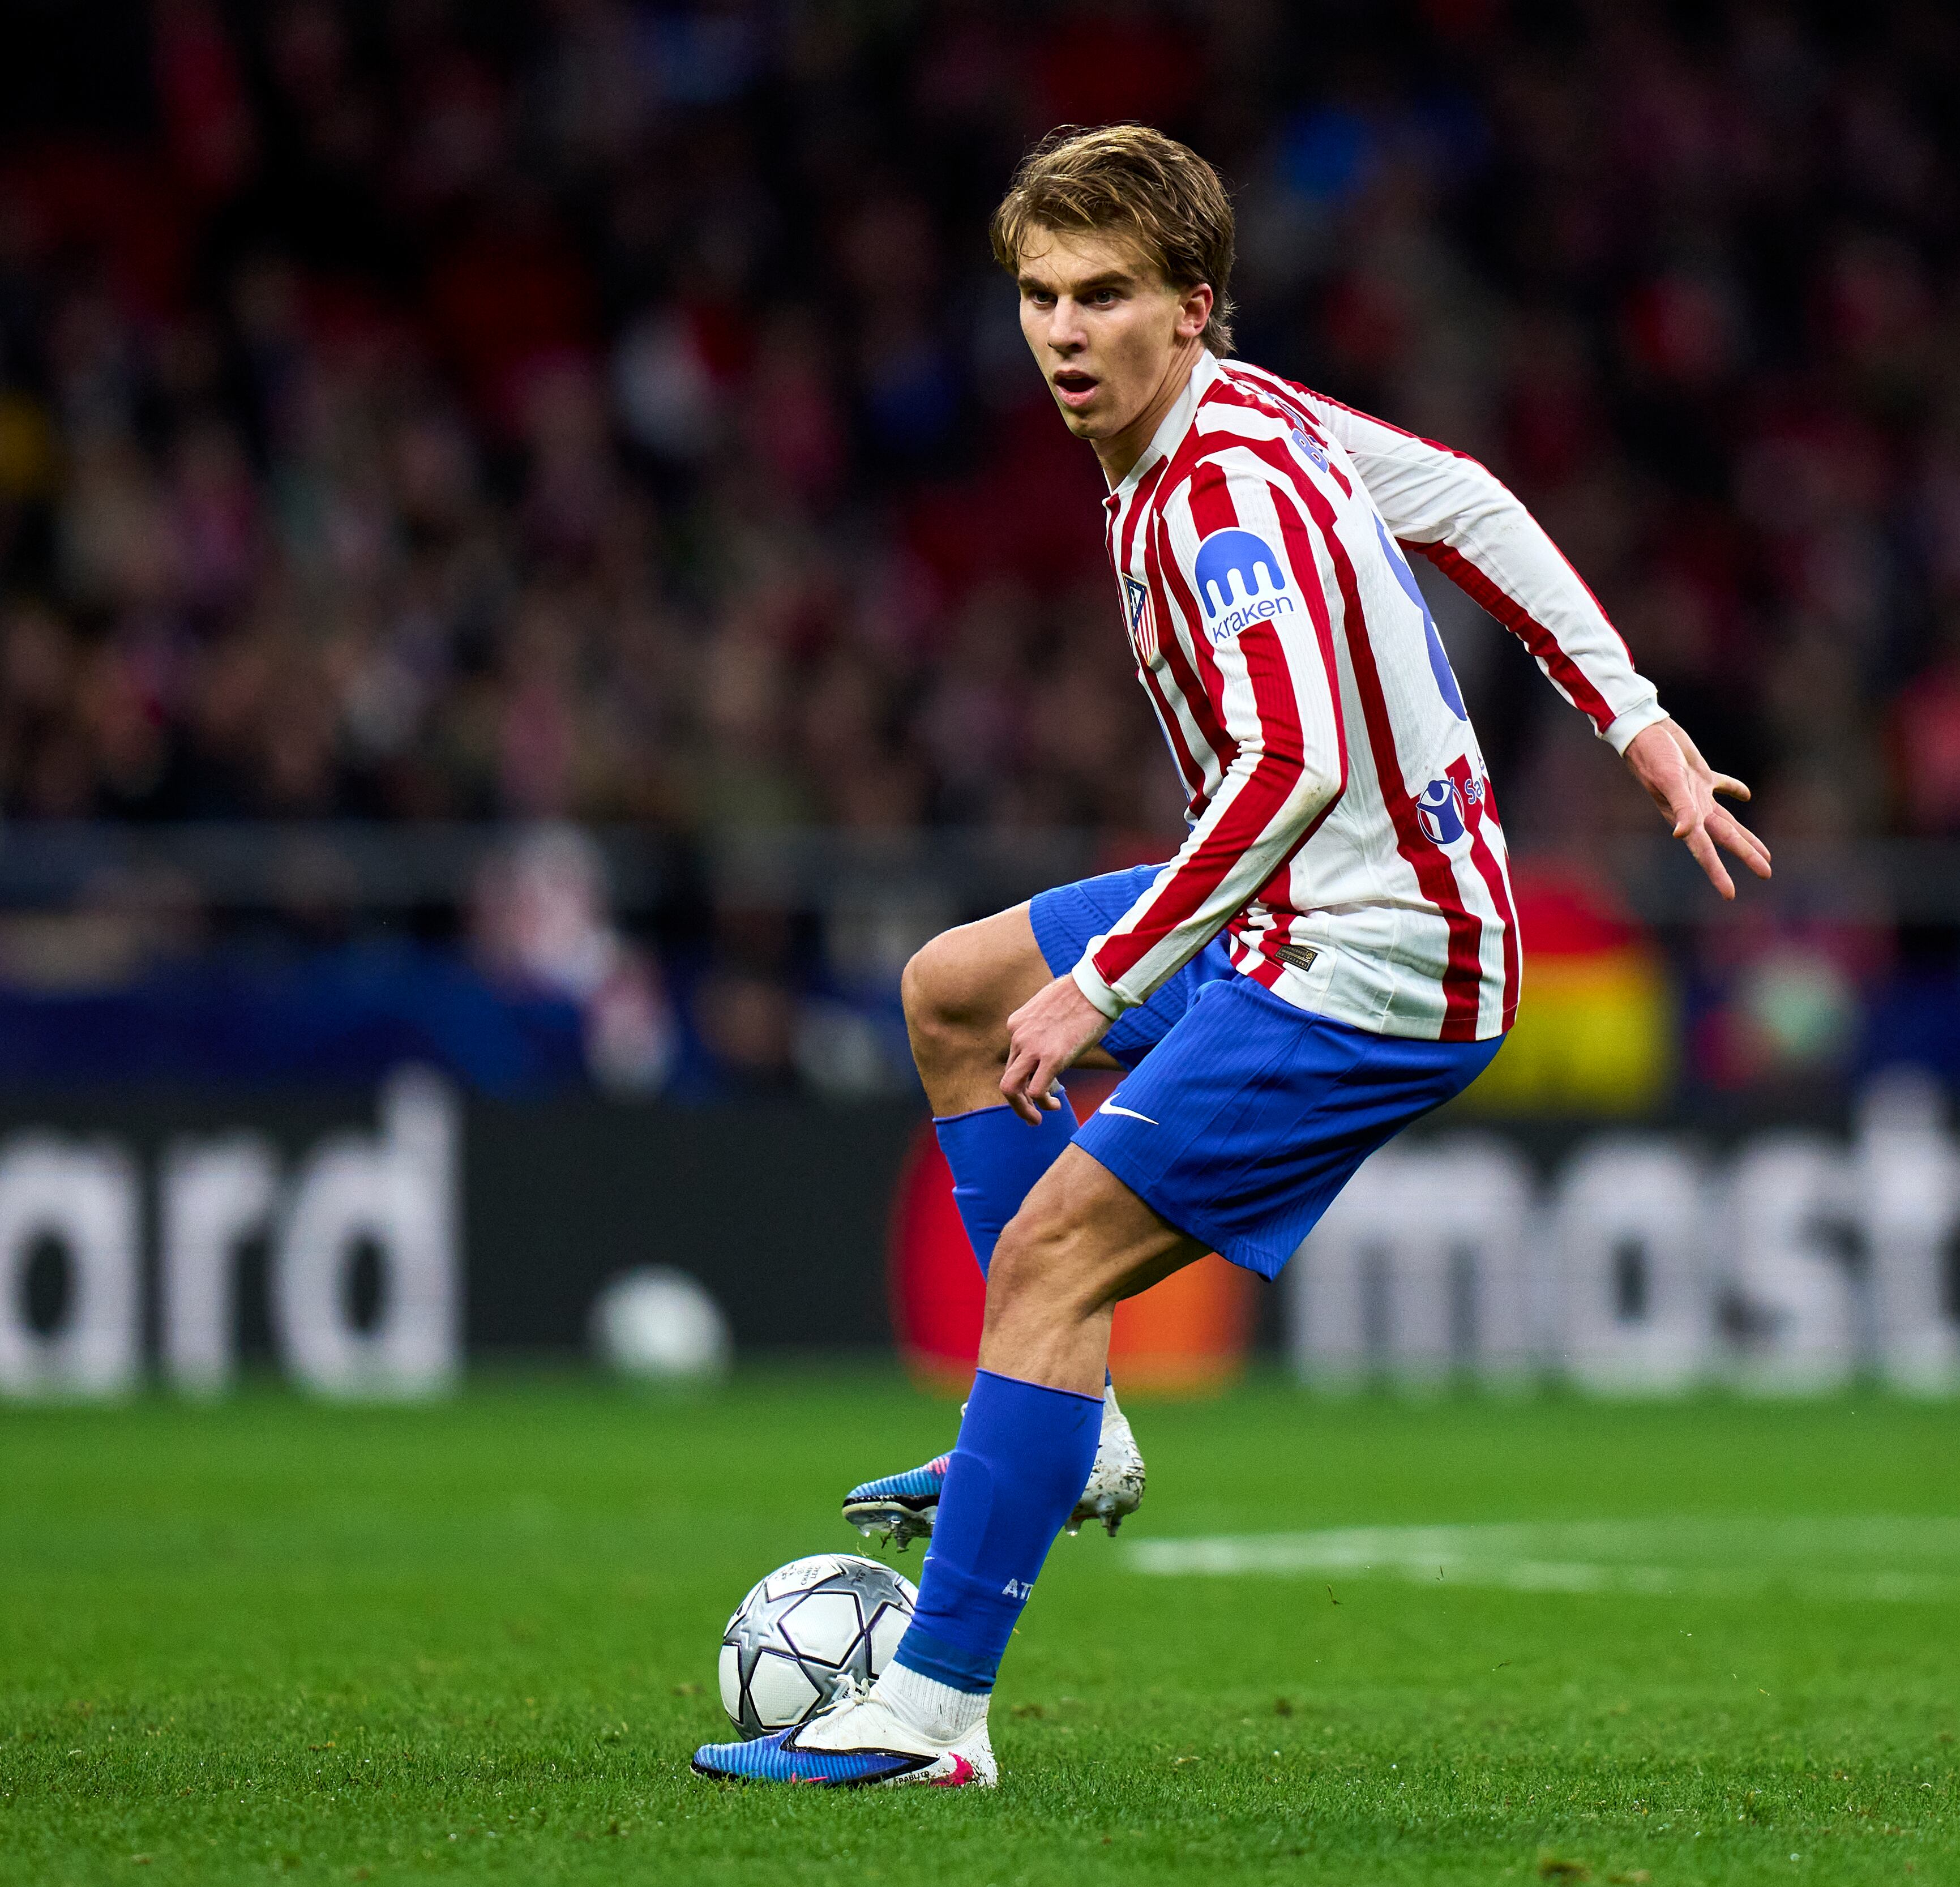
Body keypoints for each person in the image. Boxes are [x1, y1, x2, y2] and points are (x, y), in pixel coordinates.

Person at [692, 123, 1768, 1788]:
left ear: (1192, 305)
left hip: (1380, 957)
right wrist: (1639, 725)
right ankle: (1076, 1429)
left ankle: (931, 1714)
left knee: (1050, 1255)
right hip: (1298, 908)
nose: (1065, 333)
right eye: (1042, 295)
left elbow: (1295, 766)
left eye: (1107, 295)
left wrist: (1100, 983)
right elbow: (1471, 502)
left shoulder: (1222, 494)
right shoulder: (1248, 416)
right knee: (950, 993)